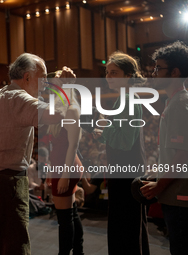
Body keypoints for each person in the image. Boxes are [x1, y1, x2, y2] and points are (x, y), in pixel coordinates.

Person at [0, 53, 67, 255]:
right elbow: (57, 116)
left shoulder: (1, 93)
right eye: (44, 77)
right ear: (28, 77)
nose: (46, 83)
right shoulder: (19, 99)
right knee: (14, 248)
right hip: (1, 184)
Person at [93, 52, 150, 255]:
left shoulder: (128, 100)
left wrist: (105, 127)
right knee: (131, 229)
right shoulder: (125, 99)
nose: (108, 76)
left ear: (128, 75)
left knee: (125, 230)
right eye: (107, 72)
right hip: (126, 171)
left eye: (114, 72)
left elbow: (125, 142)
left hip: (127, 173)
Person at [141, 41, 188, 255]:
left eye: (159, 68)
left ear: (175, 72)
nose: (154, 73)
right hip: (175, 193)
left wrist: (159, 185)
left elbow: (183, 155)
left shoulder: (179, 103)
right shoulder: (174, 102)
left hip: (179, 197)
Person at [47, 70, 84, 255]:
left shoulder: (71, 109)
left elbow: (73, 146)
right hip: (61, 165)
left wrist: (64, 175)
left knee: (65, 218)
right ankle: (78, 252)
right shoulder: (61, 108)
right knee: (71, 214)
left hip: (66, 166)